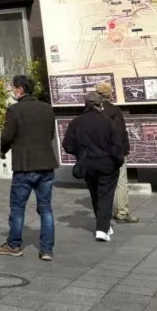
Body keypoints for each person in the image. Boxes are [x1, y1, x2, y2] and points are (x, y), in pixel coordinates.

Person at [0, 75, 59, 261]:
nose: (13, 91)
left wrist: (3, 151)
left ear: (20, 89)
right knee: (45, 208)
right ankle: (46, 250)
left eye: (14, 88)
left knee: (17, 208)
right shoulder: (47, 109)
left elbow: (7, 136)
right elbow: (51, 134)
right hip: (46, 165)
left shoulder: (14, 110)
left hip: (24, 166)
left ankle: (14, 245)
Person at [63, 91, 126, 241]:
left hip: (87, 164)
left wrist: (80, 153)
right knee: (106, 195)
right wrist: (118, 161)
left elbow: (67, 145)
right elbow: (117, 146)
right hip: (107, 163)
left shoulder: (76, 122)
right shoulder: (108, 122)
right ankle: (102, 230)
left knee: (95, 194)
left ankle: (104, 225)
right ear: (101, 104)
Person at [96, 81, 138, 224]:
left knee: (102, 183)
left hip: (99, 153)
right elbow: (121, 133)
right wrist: (124, 151)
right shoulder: (114, 111)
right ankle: (122, 212)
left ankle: (103, 213)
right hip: (116, 152)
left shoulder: (93, 112)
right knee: (121, 182)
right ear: (110, 94)